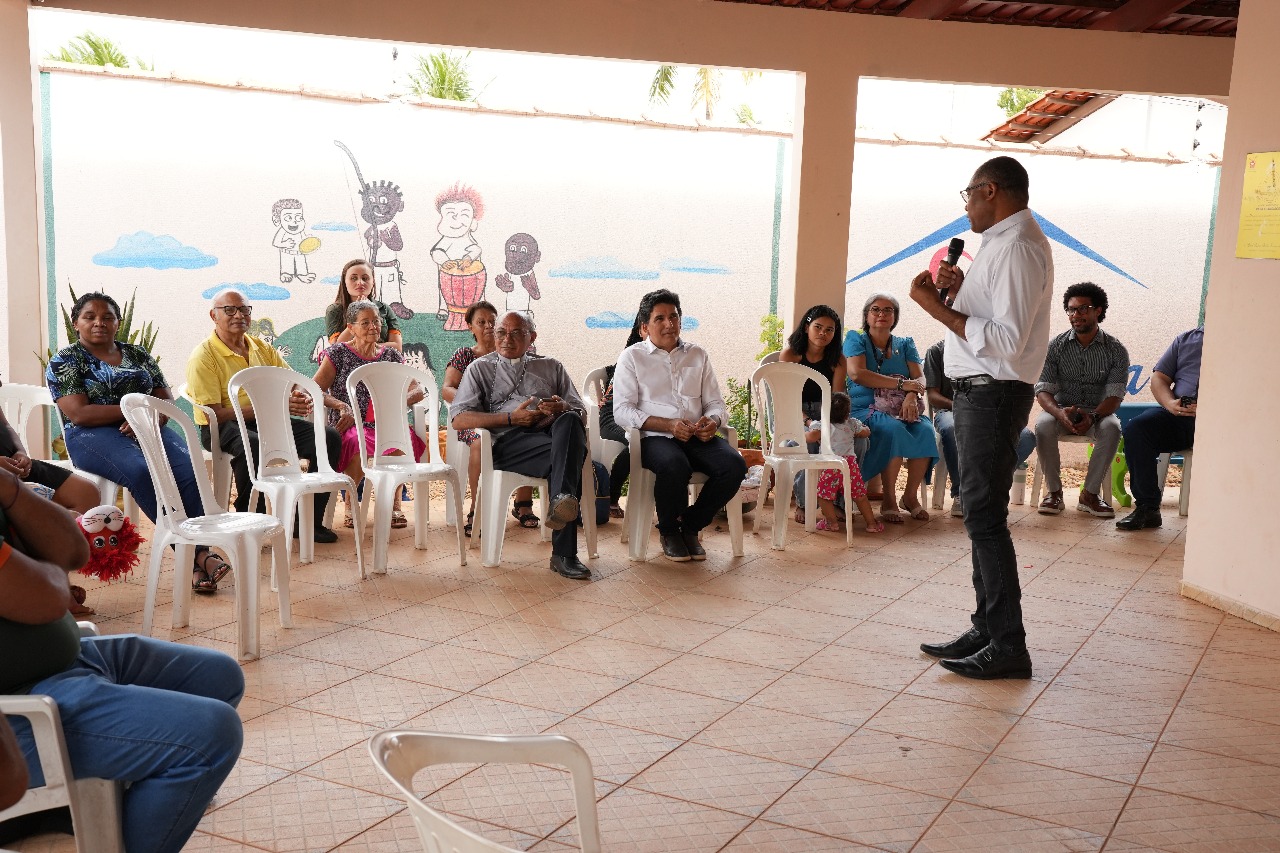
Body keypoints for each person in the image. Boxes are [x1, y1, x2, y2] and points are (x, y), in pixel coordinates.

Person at [0, 469, 243, 853]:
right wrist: (38, 562)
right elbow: (47, 598)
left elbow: (75, 550)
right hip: (22, 710)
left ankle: (117, 806)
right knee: (211, 734)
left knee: (220, 676)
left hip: (70, 657)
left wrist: (9, 487)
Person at [909, 155, 1054, 680]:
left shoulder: (1015, 247)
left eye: (968, 194)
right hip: (980, 392)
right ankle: (987, 627)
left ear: (991, 190)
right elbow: (988, 317)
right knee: (979, 512)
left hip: (993, 394)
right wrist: (953, 291)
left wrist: (933, 306)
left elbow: (1008, 342)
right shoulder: (998, 242)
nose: (966, 204)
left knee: (984, 516)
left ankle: (1009, 645)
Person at [49, 292, 232, 594]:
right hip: (91, 435)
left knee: (187, 468)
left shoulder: (138, 354)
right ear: (76, 323)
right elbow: (78, 413)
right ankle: (197, 555)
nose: (99, 323)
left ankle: (198, 554)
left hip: (147, 426)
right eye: (90, 317)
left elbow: (165, 400)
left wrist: (155, 417)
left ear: (118, 322)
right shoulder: (66, 360)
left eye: (108, 317)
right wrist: (135, 412)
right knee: (141, 470)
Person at [186, 288, 342, 542]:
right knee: (254, 444)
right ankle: (250, 518)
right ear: (213, 316)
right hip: (222, 426)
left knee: (329, 438)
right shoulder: (203, 356)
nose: (238, 315)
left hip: (267, 420)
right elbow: (215, 414)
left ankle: (306, 523)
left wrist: (299, 396)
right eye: (229, 310)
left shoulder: (261, 348)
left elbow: (293, 381)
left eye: (244, 309)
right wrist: (277, 406)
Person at [449, 311, 591, 580]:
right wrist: (512, 418)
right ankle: (565, 553)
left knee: (570, 419)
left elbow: (581, 411)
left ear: (532, 338)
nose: (506, 339)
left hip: (550, 440)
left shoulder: (551, 366)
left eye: (516, 333)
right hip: (507, 444)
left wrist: (561, 407)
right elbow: (459, 419)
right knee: (569, 463)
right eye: (501, 332)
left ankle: (561, 506)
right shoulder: (479, 368)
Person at [612, 288, 747, 562]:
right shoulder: (631, 358)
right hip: (653, 437)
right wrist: (668, 425)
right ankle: (670, 532)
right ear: (644, 328)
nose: (668, 323)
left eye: (673, 316)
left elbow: (716, 403)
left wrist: (713, 420)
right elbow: (622, 412)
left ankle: (691, 525)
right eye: (659, 318)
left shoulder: (697, 355)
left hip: (697, 436)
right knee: (675, 464)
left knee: (734, 465)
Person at [313, 300, 427, 527]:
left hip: (385, 423)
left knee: (400, 439)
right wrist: (340, 405)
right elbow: (315, 388)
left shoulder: (391, 355)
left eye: (376, 321)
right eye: (365, 323)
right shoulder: (337, 353)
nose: (373, 326)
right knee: (355, 441)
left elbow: (418, 389)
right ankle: (350, 505)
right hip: (351, 422)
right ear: (351, 327)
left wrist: (395, 403)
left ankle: (395, 506)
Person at [1033, 282, 1130, 518]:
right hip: (1061, 409)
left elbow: (1114, 396)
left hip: (1099, 413)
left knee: (1113, 427)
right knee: (1043, 424)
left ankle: (1090, 495)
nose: (1076, 315)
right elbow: (1043, 390)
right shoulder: (1055, 347)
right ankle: (1054, 493)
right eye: (1071, 310)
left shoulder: (1116, 350)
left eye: (1083, 309)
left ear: (1098, 310)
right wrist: (1059, 414)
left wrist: (1094, 416)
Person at [441, 300, 535, 535]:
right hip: (474, 420)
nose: (488, 326)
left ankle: (523, 504)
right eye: (481, 322)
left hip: (510, 418)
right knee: (480, 441)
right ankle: (477, 508)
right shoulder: (465, 356)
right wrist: (474, 404)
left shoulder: (511, 352)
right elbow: (447, 389)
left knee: (530, 434)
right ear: (470, 327)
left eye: (493, 321)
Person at [843, 292, 938, 523]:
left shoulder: (905, 344)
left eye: (888, 310)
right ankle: (889, 499)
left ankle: (910, 496)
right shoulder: (855, 339)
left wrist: (910, 396)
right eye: (875, 309)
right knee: (893, 430)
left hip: (902, 407)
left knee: (926, 431)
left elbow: (920, 377)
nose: (881, 314)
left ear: (895, 317)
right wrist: (901, 383)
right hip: (865, 408)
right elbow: (857, 373)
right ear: (866, 315)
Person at [924, 338, 1036, 518]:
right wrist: (962, 405)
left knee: (1026, 437)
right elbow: (933, 396)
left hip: (989, 410)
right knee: (953, 428)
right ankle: (962, 494)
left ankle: (988, 490)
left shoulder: (989, 348)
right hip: (950, 410)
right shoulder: (937, 351)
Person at [1116, 327, 1202, 531]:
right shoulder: (1186, 340)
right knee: (1138, 429)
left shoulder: (1245, 341)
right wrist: (1171, 404)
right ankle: (1148, 508)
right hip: (1181, 417)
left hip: (1227, 423)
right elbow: (1159, 378)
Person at [804, 391, 882, 534]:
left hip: (830, 466)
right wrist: (864, 430)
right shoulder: (852, 424)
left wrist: (801, 433)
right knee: (860, 495)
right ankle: (872, 524)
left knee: (823, 496)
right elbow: (865, 433)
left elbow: (811, 437)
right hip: (849, 465)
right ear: (847, 413)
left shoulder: (822, 426)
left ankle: (831, 523)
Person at [597, 317, 645, 519]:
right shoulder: (632, 355)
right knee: (635, 442)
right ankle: (611, 497)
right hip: (613, 416)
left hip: (638, 417)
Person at [781, 304, 847, 421]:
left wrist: (828, 425)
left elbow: (836, 399)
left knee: (858, 437)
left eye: (829, 330)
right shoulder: (790, 355)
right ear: (807, 328)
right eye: (818, 327)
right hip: (794, 413)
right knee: (807, 438)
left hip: (826, 413)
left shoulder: (839, 360)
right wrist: (807, 422)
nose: (823, 333)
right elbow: (786, 397)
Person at [324, 258, 403, 352]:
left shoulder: (384, 309)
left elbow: (397, 347)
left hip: (382, 364)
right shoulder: (334, 310)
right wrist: (357, 312)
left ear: (373, 281)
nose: (360, 282)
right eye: (353, 278)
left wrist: (363, 347)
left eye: (365, 278)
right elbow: (337, 349)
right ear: (344, 282)